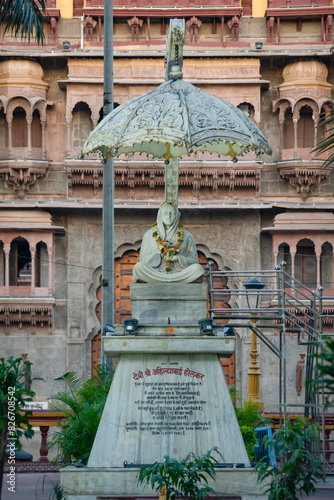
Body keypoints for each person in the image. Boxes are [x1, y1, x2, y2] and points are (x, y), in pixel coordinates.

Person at [133, 203, 204, 284]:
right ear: (160, 215)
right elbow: (143, 260)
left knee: (197, 269)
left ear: (177, 216)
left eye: (172, 213)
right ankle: (169, 280)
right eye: (165, 213)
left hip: (180, 273)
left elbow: (194, 260)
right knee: (138, 267)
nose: (168, 216)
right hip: (156, 273)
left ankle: (172, 280)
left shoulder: (187, 235)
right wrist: (159, 252)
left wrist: (178, 259)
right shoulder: (149, 234)